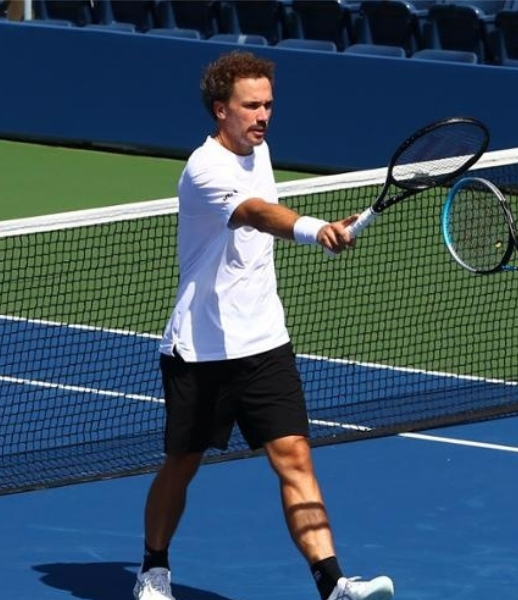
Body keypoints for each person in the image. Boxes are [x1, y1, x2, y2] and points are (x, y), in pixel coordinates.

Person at [133, 50, 394, 600]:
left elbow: (263, 214)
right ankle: (153, 567)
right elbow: (254, 213)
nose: (263, 116)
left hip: (264, 342)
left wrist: (319, 228)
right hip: (201, 350)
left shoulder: (262, 150)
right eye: (251, 106)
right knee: (182, 465)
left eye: (268, 105)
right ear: (219, 109)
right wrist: (314, 229)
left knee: (294, 456)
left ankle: (332, 584)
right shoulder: (205, 168)